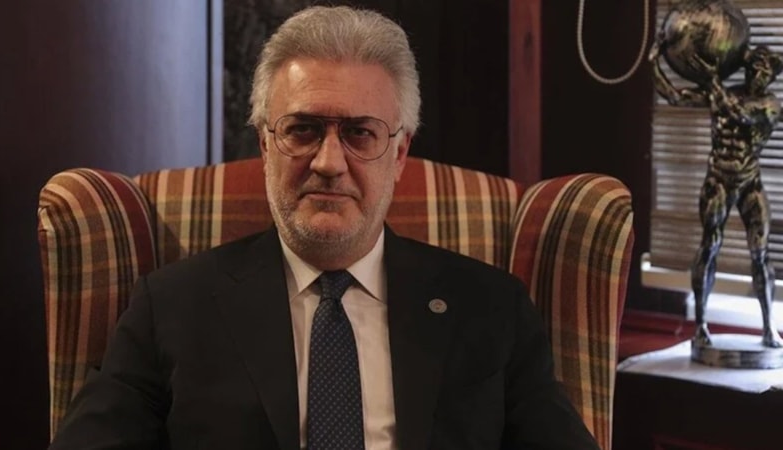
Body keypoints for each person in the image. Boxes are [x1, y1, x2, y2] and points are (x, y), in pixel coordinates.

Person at [49, 6, 600, 449]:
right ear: (265, 145)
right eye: (303, 129)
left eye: (360, 133)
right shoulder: (170, 308)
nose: (329, 162)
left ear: (399, 153)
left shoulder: (492, 308)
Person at [650, 35, 783, 348]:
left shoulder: (770, 106)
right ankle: (701, 326)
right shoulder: (724, 93)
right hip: (718, 179)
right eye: (754, 68)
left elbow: (740, 114)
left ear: (771, 77)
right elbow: (675, 97)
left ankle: (768, 327)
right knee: (709, 245)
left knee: (760, 251)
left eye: (764, 71)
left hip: (749, 180)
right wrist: (654, 62)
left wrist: (712, 81)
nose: (757, 75)